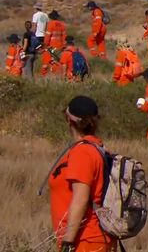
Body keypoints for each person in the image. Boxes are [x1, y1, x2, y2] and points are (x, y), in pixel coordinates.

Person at [49, 96, 116, 252]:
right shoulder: (96, 147)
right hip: (94, 238)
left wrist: (67, 242)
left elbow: (81, 198)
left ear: (69, 120)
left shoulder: (83, 152)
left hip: (85, 240)